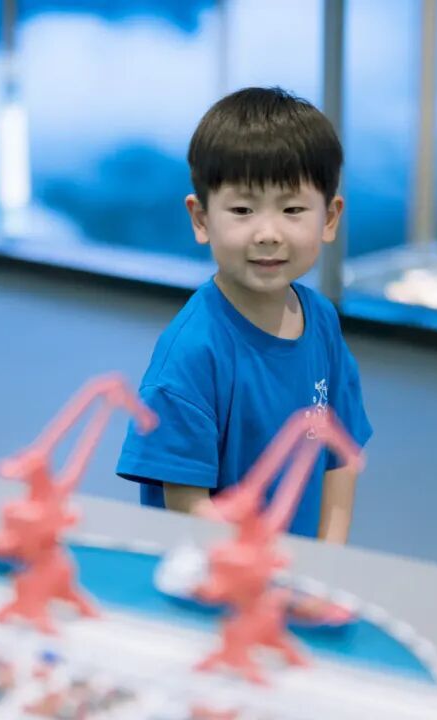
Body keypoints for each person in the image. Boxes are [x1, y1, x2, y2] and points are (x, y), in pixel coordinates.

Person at [116, 87, 372, 542]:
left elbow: (342, 456)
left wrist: (328, 562)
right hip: (217, 573)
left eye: (292, 209)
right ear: (201, 219)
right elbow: (188, 509)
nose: (268, 233)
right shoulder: (192, 354)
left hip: (294, 573)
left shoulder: (322, 322)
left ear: (330, 218)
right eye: (242, 209)